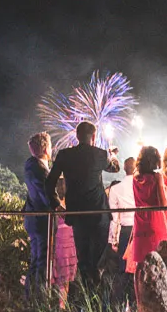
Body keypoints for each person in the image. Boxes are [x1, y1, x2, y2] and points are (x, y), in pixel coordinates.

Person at [45, 121, 121, 291]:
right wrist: (112, 154)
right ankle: (95, 301)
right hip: (99, 214)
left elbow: (49, 183)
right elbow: (115, 168)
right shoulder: (100, 154)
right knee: (98, 261)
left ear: (77, 136)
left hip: (77, 214)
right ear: (94, 137)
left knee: (83, 259)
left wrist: (56, 204)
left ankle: (83, 300)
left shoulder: (65, 155)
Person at [125, 146, 167, 269]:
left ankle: (140, 288)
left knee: (141, 264)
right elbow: (163, 204)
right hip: (155, 220)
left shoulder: (135, 177)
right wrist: (165, 189)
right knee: (157, 263)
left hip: (140, 221)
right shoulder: (156, 177)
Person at [23, 132, 54, 299]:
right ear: (45, 148)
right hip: (40, 220)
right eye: (50, 145)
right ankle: (39, 300)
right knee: (41, 261)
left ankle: (31, 297)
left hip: (33, 219)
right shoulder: (39, 169)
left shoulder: (32, 165)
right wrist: (58, 208)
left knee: (36, 260)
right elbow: (45, 195)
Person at [106, 156, 137, 308]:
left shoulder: (116, 188)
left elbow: (114, 217)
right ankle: (135, 305)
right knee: (138, 270)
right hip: (139, 229)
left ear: (124, 169)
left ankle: (118, 307)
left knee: (122, 269)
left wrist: (113, 239)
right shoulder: (141, 186)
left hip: (124, 231)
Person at [51, 180, 77, 306]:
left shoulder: (54, 206)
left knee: (58, 278)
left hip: (58, 244)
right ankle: (63, 306)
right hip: (70, 244)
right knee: (66, 280)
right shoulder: (72, 205)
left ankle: (58, 306)